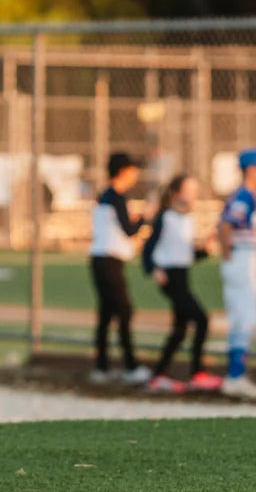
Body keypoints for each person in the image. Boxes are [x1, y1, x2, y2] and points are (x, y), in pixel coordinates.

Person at [142, 174, 221, 393]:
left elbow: (186, 255)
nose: (194, 195)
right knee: (202, 319)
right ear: (176, 193)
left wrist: (203, 250)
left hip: (183, 275)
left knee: (180, 329)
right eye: (190, 190)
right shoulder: (165, 218)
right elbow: (148, 248)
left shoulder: (187, 219)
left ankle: (158, 374)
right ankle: (197, 373)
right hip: (170, 277)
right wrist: (154, 269)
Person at [88, 152, 152, 384]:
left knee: (106, 314)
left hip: (100, 260)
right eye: (133, 169)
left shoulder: (105, 196)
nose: (136, 174)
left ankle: (101, 366)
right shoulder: (116, 196)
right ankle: (130, 365)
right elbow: (129, 229)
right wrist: (146, 218)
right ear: (124, 171)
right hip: (109, 261)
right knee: (124, 311)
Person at [217, 149, 256, 399]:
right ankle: (235, 375)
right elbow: (226, 223)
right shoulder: (244, 196)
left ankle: (237, 373)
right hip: (243, 257)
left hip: (245, 257)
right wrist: (228, 253)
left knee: (246, 315)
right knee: (246, 316)